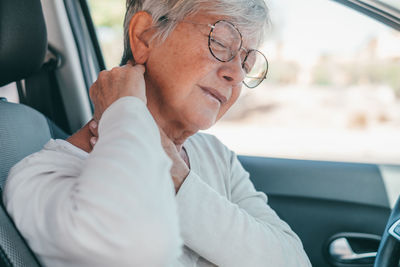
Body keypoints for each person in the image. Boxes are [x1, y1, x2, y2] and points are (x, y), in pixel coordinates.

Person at [3, 0, 311, 266]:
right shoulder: (42, 176)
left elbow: (294, 260)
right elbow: (134, 244)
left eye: (247, 62)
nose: (236, 74)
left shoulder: (216, 157)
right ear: (144, 36)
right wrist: (129, 115)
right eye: (220, 44)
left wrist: (175, 175)